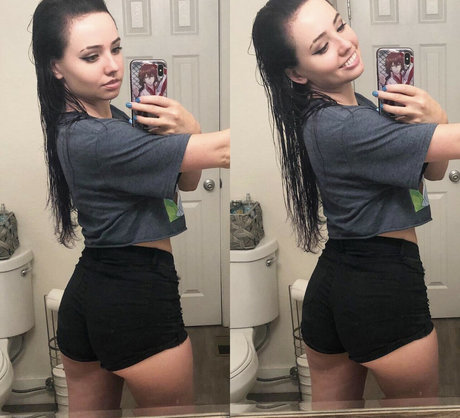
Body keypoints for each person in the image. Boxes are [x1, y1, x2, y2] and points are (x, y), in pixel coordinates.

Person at [252, 0, 460, 406]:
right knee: (420, 412)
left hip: (333, 283)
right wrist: (440, 116)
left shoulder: (344, 110)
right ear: (296, 73)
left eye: (340, 25)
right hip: (383, 287)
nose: (345, 43)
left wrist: (434, 125)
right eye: (321, 46)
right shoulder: (349, 125)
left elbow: (433, 171)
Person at [31, 0, 229, 413]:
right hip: (136, 298)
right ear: (56, 67)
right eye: (91, 56)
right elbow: (224, 150)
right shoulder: (101, 138)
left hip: (88, 292)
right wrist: (193, 129)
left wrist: (182, 138)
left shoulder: (110, 121)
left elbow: (186, 181)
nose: (113, 66)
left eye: (116, 48)